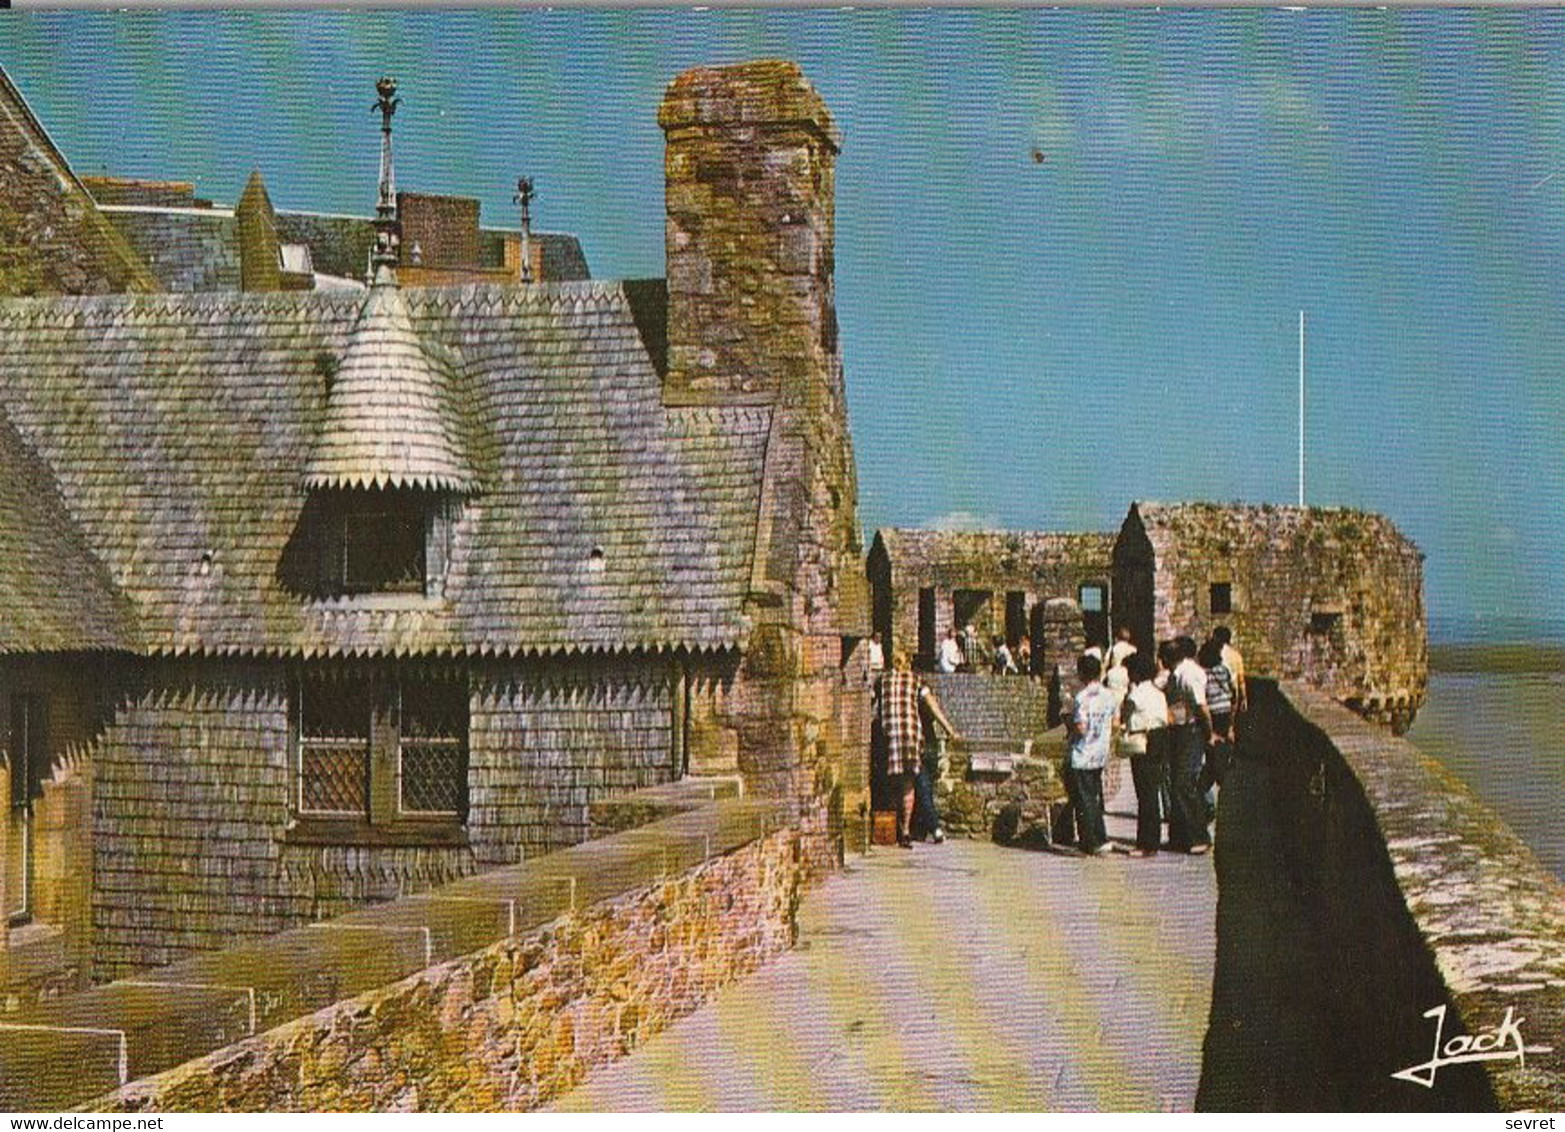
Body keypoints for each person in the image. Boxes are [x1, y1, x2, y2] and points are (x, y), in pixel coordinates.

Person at [876, 651, 959, 847]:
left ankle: (897, 828)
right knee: (909, 785)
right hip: (911, 735)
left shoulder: (882, 681)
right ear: (908, 663)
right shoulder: (916, 680)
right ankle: (905, 831)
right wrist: (950, 731)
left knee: (894, 783)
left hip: (889, 736)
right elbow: (933, 706)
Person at [1059, 652, 1119, 855]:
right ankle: (1099, 837)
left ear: (1081, 673)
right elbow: (1115, 722)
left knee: (1084, 800)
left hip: (1081, 753)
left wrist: (1068, 722)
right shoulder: (1109, 695)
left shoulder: (1082, 698)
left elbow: (1081, 728)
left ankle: (1091, 841)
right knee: (1093, 797)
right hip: (1099, 751)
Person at [1164, 636, 1212, 855]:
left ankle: (1198, 836)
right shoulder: (1177, 674)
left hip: (1191, 730)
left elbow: (1201, 707)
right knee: (1176, 783)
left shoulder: (1188, 675)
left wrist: (1208, 733)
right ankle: (1180, 837)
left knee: (1184, 783)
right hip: (1180, 730)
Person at [1120, 651, 1170, 857]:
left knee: (1144, 793)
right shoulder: (1158, 692)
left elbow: (1124, 714)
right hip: (1160, 737)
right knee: (1153, 790)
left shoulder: (1136, 693)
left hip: (1143, 741)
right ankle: (1153, 839)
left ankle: (1146, 843)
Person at [911, 677, 960, 843]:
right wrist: (950, 731)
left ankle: (919, 830)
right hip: (925, 742)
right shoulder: (921, 688)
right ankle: (935, 827)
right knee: (924, 786)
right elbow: (934, 708)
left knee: (921, 787)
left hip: (911, 741)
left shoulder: (899, 687)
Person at [1198, 638, 1236, 802]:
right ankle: (1220, 780)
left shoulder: (1202, 673)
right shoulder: (1224, 669)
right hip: (1225, 711)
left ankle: (1207, 786)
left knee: (1211, 749)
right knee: (1222, 749)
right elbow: (1234, 693)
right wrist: (1232, 726)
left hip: (1211, 712)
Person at [1212, 625, 1247, 717]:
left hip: (1214, 697)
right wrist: (1244, 698)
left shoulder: (1211, 655)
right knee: (1230, 725)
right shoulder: (1236, 656)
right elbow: (1241, 680)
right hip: (1232, 696)